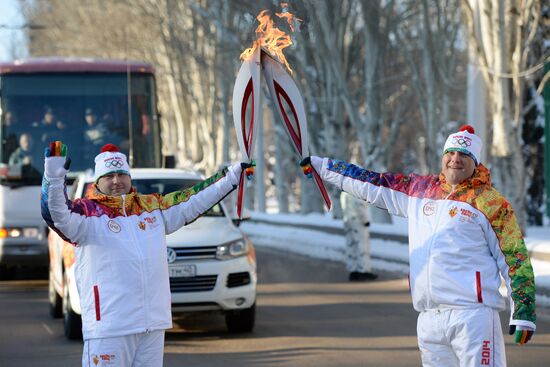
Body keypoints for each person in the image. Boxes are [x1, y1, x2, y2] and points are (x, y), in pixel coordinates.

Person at [301, 125, 536, 366]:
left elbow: (515, 259)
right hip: (429, 320)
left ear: (475, 162)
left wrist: (523, 312)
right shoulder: (420, 190)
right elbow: (371, 182)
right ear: (443, 156)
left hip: (472, 317)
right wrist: (323, 167)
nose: (455, 159)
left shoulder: (491, 203)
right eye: (451, 153)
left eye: (464, 155)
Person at [41, 141, 253, 367]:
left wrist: (232, 177)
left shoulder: (152, 208)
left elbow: (193, 198)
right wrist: (54, 178)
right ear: (98, 181)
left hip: (152, 324)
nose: (116, 181)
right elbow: (56, 213)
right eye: (109, 176)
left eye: (121, 174)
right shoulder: (85, 214)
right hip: (110, 327)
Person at [341, 193, 378, 281]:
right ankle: (363, 270)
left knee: (351, 245)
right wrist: (365, 219)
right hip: (358, 221)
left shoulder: (343, 192)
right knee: (362, 245)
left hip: (348, 220)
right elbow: (359, 205)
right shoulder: (354, 190)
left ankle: (353, 271)